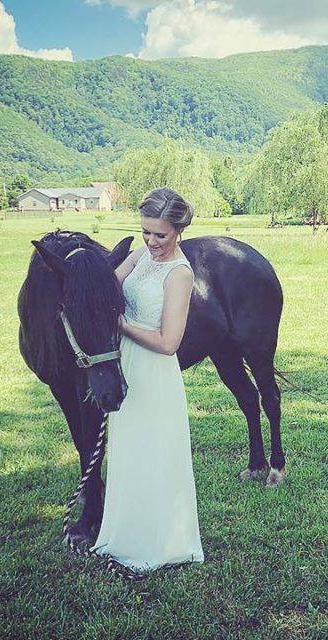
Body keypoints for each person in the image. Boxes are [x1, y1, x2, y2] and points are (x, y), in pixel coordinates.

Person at [90, 187, 204, 573]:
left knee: (154, 457)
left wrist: (120, 323)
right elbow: (106, 286)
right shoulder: (140, 257)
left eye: (161, 235)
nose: (152, 242)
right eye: (146, 232)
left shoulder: (180, 275)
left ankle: (160, 544)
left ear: (179, 230)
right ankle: (122, 536)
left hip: (154, 374)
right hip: (125, 367)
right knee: (128, 454)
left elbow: (169, 342)